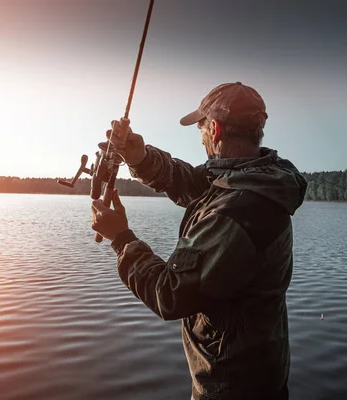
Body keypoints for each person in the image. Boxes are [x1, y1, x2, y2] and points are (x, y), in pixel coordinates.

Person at [90, 82, 308, 399]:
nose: (201, 135)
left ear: (215, 129)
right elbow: (191, 182)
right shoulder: (252, 179)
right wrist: (139, 156)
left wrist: (122, 239)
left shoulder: (236, 212)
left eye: (202, 127)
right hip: (257, 375)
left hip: (231, 387)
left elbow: (170, 294)